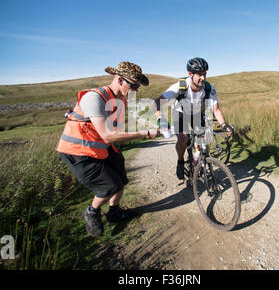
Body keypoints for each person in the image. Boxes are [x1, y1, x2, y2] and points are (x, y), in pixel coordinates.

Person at [57, 61, 158, 237]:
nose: (136, 90)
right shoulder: (94, 98)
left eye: (137, 86)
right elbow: (108, 135)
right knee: (111, 185)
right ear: (120, 80)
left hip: (98, 147)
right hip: (77, 150)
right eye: (133, 85)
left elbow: (116, 132)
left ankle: (114, 212)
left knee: (120, 172)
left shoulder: (121, 101)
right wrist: (144, 133)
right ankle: (91, 211)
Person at [154, 57, 232, 180]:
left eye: (205, 74)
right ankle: (180, 161)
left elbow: (215, 109)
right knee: (183, 138)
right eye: (200, 75)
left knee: (204, 138)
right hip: (180, 112)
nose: (203, 78)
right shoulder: (180, 86)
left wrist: (224, 125)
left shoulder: (208, 88)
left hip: (196, 113)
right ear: (190, 74)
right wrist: (161, 119)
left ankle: (197, 163)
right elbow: (158, 102)